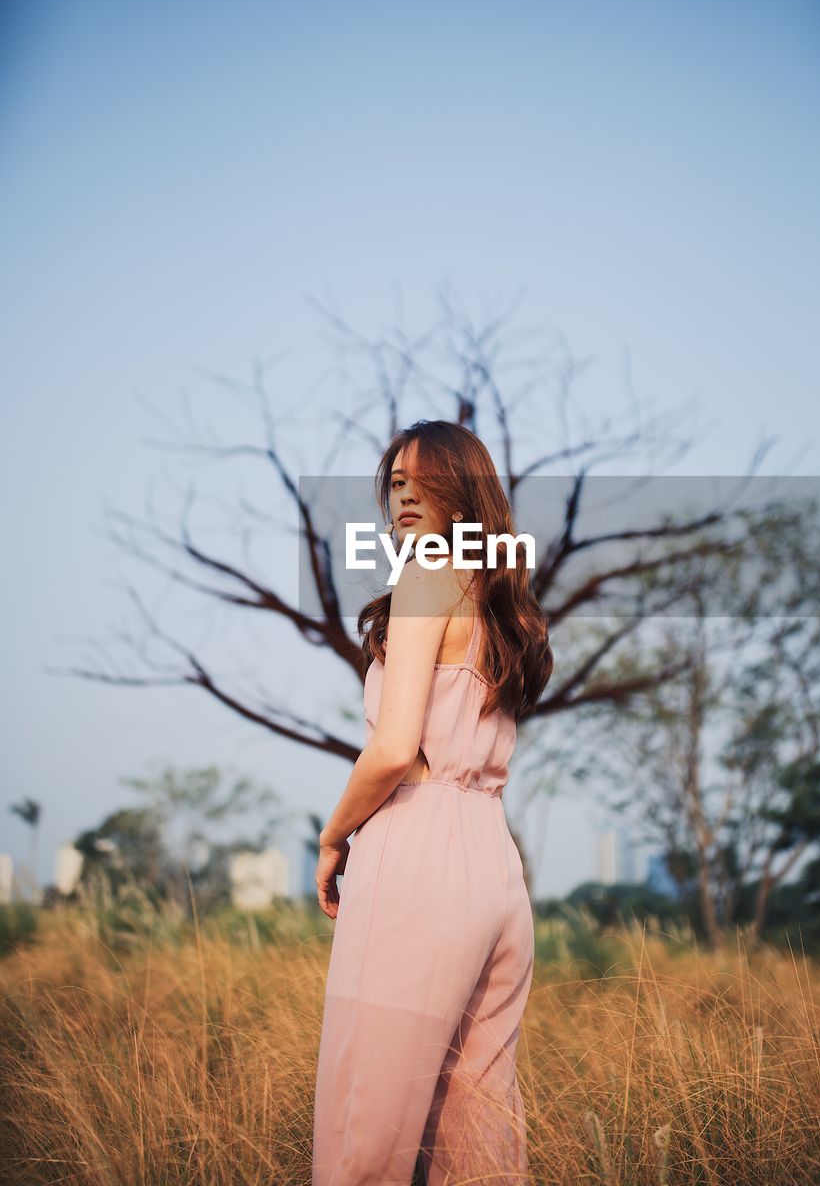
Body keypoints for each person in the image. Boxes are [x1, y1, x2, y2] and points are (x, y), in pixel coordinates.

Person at [312, 419, 554, 1185]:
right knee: (476, 1129)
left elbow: (392, 749)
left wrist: (331, 837)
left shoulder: (425, 578)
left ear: (465, 493)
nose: (405, 495)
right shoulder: (504, 608)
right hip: (494, 869)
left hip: (417, 852)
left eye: (426, 479)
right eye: (395, 482)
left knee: (367, 1123)